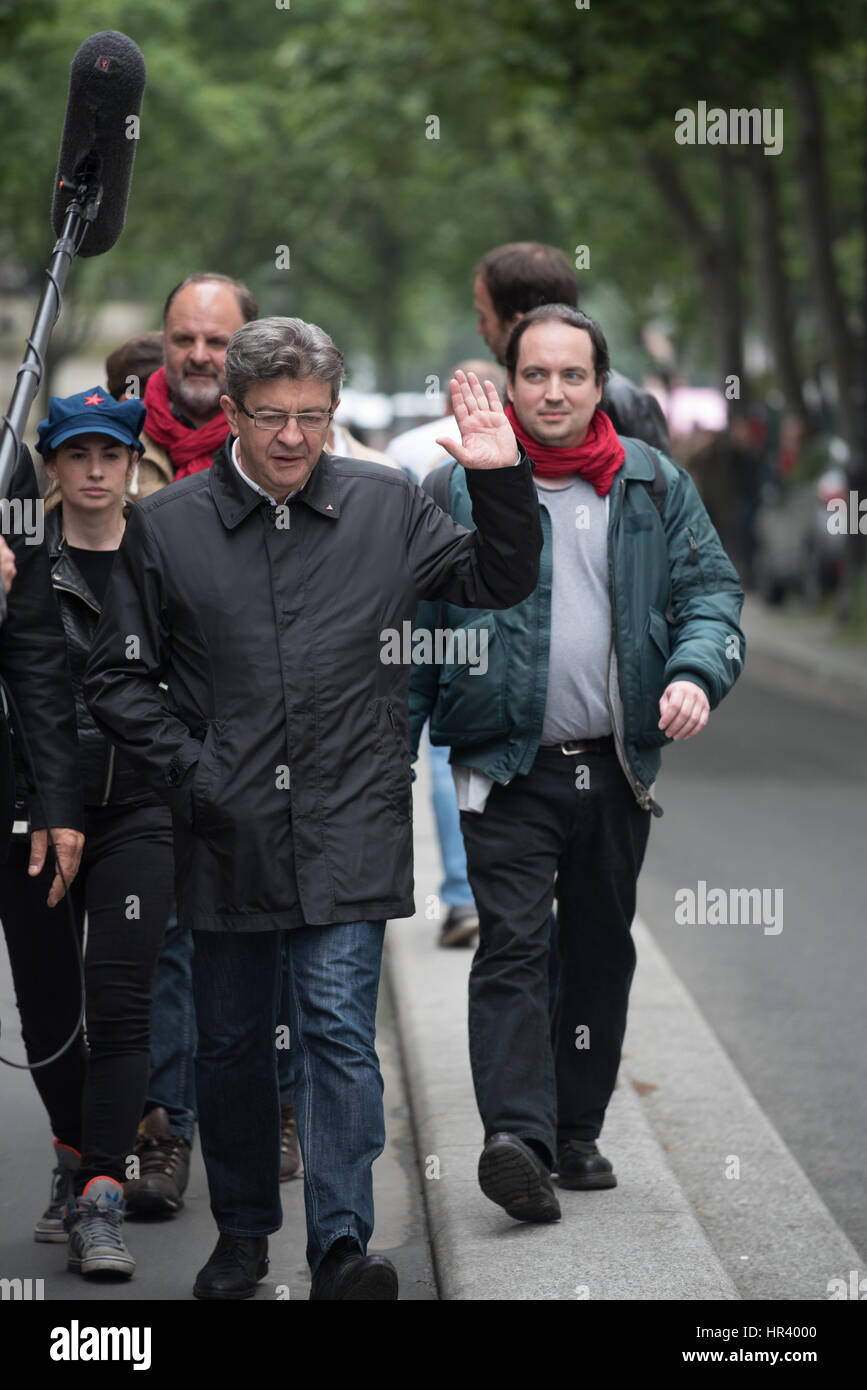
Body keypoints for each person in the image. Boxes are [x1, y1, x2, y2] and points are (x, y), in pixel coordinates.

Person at [84, 316, 541, 1300]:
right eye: (272, 417)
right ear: (235, 414)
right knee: (236, 1041)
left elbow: (500, 579)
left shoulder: (388, 503)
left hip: (350, 820)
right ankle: (243, 1236)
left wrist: (502, 479)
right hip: (225, 835)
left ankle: (341, 1246)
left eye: (313, 417)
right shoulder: (165, 527)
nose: (293, 437)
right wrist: (197, 772)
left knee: (336, 1029)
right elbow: (118, 681)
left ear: (333, 413)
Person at [409, 305, 745, 1222]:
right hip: (502, 764)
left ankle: (576, 1129)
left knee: (598, 949)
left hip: (615, 767)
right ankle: (514, 1139)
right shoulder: (455, 487)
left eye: (571, 375)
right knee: (512, 947)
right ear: (509, 381)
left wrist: (695, 673)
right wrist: (386, 757)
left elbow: (711, 591)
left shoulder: (649, 483)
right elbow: (418, 630)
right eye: (534, 375)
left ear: (600, 385)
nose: (552, 391)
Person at [0, 389, 175, 1277]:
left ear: (136, 464)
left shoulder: (165, 554)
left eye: (113, 455)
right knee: (49, 1011)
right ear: (52, 469)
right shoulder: (20, 560)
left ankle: (103, 1191)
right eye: (78, 457)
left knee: (119, 1001)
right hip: (34, 807)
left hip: (139, 808)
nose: (98, 471)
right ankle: (73, 1157)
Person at [112, 275, 257, 1216]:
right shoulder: (109, 446)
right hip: (148, 739)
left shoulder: (289, 445)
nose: (199, 356)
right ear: (162, 342)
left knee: (266, 928)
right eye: (184, 339)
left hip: (262, 735)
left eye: (216, 342)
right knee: (162, 935)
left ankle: (276, 1111)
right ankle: (161, 1130)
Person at [388, 360, 507, 949]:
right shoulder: (428, 457)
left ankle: (464, 897)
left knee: (448, 766)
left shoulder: (411, 449)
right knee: (455, 766)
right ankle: (465, 894)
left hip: (448, 635)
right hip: (459, 632)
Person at [473, 241, 671, 451]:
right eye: (534, 376)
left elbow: (654, 480)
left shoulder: (627, 406)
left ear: (516, 324)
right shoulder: (497, 402)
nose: (480, 329)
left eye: (484, 317)